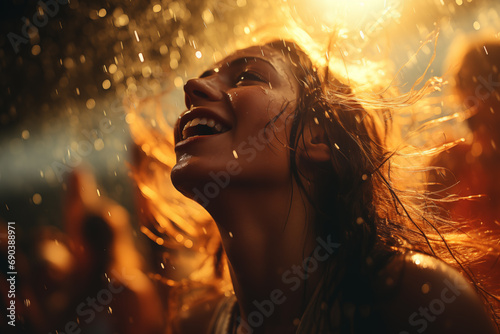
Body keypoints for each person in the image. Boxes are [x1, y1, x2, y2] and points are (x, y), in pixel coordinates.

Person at [132, 36, 500, 333]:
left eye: (248, 77)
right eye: (204, 76)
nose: (192, 86)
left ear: (317, 137)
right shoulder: (192, 325)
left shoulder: (417, 302)